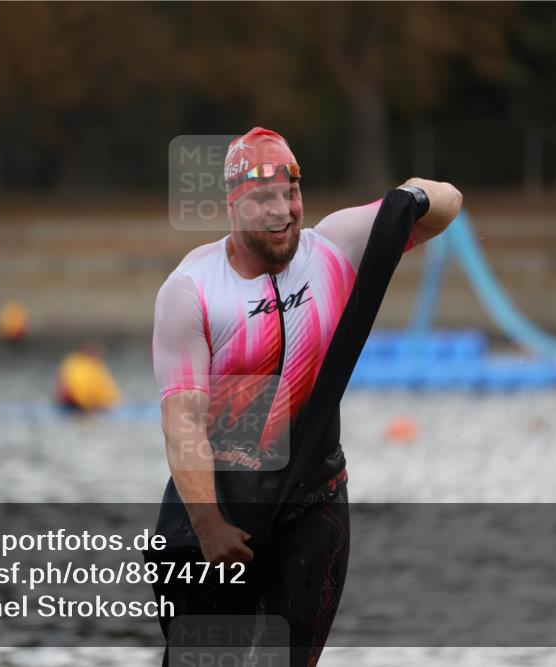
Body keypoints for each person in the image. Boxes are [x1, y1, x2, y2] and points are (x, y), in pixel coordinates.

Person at [150, 127, 462, 665]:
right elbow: (183, 423)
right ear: (232, 205)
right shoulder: (192, 289)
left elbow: (447, 203)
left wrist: (408, 198)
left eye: (290, 194)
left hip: (313, 500)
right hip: (224, 504)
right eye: (262, 198)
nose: (281, 211)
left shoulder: (333, 248)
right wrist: (207, 523)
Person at [55, 341, 121, 412]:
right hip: (73, 404)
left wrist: (114, 401)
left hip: (88, 404)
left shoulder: (97, 365)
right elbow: (78, 388)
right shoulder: (77, 364)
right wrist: (89, 405)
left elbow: (108, 387)